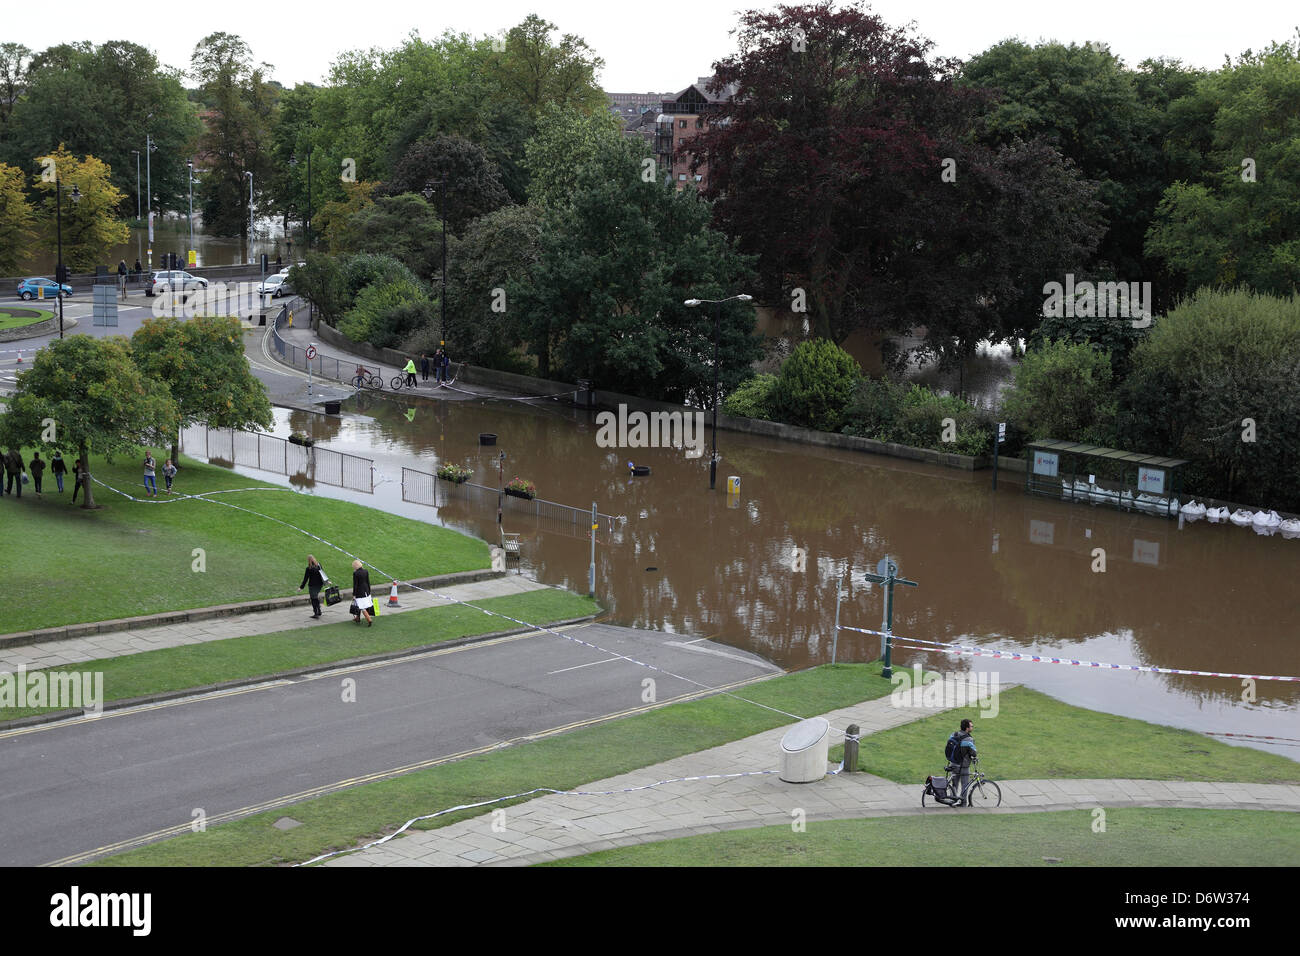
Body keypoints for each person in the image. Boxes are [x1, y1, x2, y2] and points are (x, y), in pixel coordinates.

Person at [947, 718, 978, 806]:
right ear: (967, 728)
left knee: (954, 784)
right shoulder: (969, 739)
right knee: (965, 784)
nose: (972, 727)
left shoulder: (953, 734)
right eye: (971, 726)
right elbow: (974, 753)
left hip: (953, 763)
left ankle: (952, 801)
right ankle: (963, 803)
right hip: (963, 766)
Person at [300, 555, 327, 619]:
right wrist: (327, 581)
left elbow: (305, 579)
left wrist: (301, 587)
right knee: (315, 597)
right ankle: (319, 611)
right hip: (319, 585)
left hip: (312, 586)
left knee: (313, 599)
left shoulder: (309, 568)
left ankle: (316, 613)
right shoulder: (319, 565)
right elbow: (323, 574)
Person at [351, 559, 372, 626]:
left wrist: (354, 594)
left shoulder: (355, 573)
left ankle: (369, 619)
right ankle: (358, 618)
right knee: (359, 605)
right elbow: (368, 582)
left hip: (359, 592)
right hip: (366, 590)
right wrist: (369, 591)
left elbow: (355, 585)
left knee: (362, 606)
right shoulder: (366, 571)